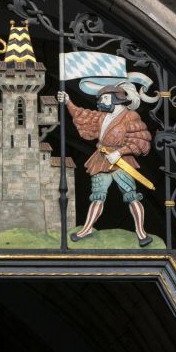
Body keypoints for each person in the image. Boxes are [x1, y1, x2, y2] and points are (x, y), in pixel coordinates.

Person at [57, 86, 154, 246]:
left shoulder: (130, 116)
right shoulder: (103, 116)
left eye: (104, 98)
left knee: (131, 196)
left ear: (115, 98)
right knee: (97, 196)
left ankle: (141, 233)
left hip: (120, 162)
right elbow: (85, 116)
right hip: (101, 159)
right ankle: (87, 229)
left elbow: (140, 139)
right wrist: (68, 102)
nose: (101, 102)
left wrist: (121, 152)